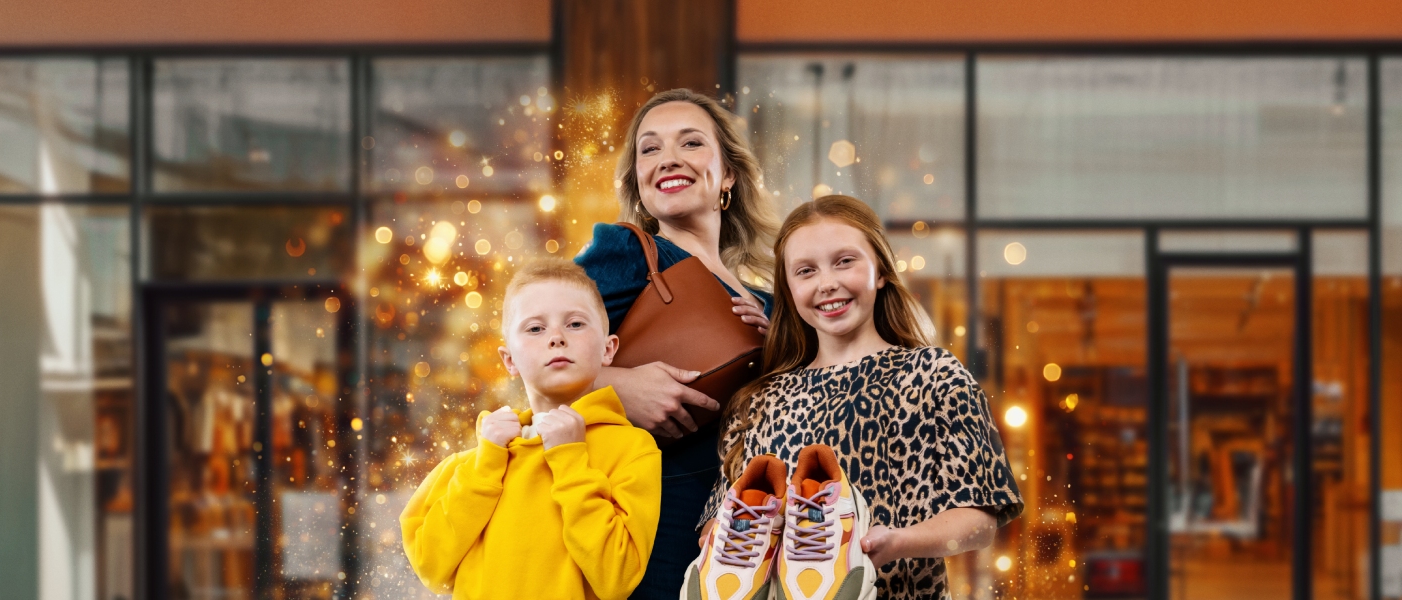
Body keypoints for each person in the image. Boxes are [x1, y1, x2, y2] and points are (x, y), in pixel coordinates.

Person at [700, 195, 1023, 599]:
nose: (827, 283)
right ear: (788, 288)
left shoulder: (934, 375)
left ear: (881, 271)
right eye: (805, 271)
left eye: (844, 261)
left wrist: (897, 542)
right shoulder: (757, 401)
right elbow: (717, 529)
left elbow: (979, 520)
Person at [575, 88, 779, 598]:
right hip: (655, 522)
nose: (668, 158)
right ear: (638, 179)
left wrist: (781, 344)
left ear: (728, 173)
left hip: (755, 532)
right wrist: (618, 384)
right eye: (650, 148)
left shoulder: (772, 301)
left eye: (691, 143)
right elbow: (533, 354)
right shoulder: (625, 252)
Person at [399, 258, 662, 600]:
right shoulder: (474, 461)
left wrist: (570, 461)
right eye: (535, 328)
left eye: (576, 324)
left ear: (608, 349)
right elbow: (430, 567)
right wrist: (485, 470)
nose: (556, 337)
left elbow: (617, 578)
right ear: (508, 360)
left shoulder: (632, 449)